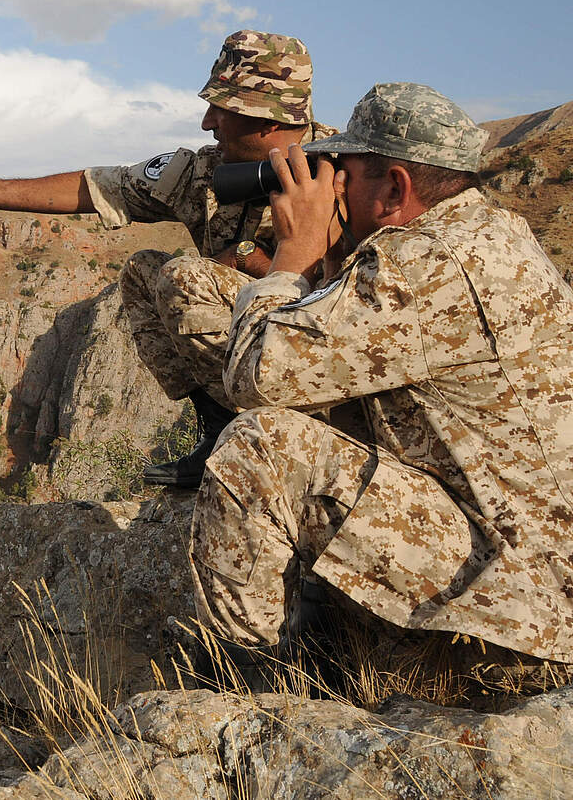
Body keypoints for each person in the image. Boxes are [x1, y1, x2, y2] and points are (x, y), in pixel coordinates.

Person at [189, 82, 573, 672]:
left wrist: (294, 253)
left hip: (525, 595)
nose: (332, 185)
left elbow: (254, 379)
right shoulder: (493, 235)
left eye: (346, 171)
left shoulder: (423, 261)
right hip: (537, 557)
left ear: (396, 186)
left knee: (261, 445)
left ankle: (243, 685)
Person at [0, 30, 336, 487]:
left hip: (320, 359)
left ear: (266, 117)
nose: (207, 123)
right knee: (143, 272)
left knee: (185, 276)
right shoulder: (208, 172)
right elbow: (98, 186)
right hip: (249, 351)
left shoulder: (347, 177)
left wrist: (257, 261)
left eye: (221, 109)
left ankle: (294, 444)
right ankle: (219, 433)